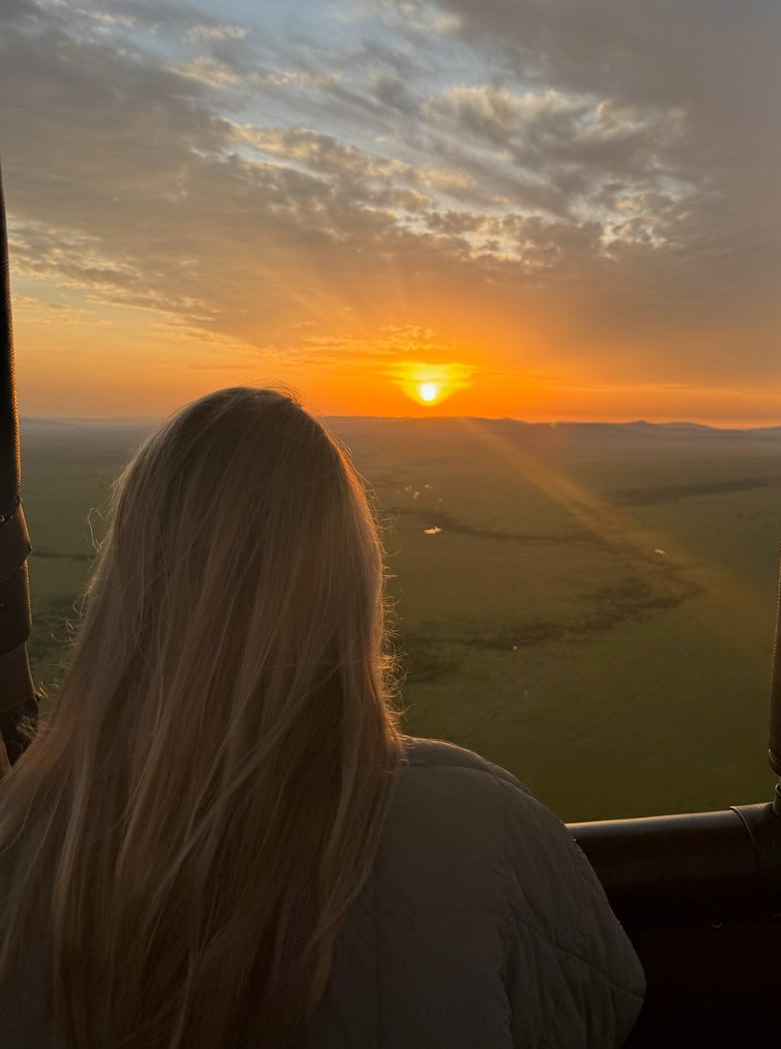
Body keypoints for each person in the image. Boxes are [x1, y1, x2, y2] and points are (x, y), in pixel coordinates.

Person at [0, 386, 645, 1048]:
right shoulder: (481, 822)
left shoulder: (22, 838)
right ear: (350, 581)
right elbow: (602, 1008)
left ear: (129, 582)